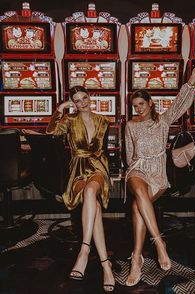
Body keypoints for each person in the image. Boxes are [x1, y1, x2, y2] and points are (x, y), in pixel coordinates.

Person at [124, 65, 195, 287]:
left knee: (136, 207)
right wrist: (131, 171)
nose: (138, 108)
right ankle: (160, 243)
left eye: (141, 104)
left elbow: (181, 103)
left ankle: (137, 258)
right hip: (137, 170)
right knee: (139, 191)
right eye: (134, 106)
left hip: (158, 174)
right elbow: (129, 155)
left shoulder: (163, 121)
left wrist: (192, 80)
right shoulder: (130, 125)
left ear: (150, 103)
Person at [46, 85, 115, 292]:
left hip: (98, 168)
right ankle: (106, 266)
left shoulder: (104, 120)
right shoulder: (69, 120)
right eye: (77, 100)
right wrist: (60, 109)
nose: (82, 102)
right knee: (92, 204)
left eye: (84, 97)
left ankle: (84, 251)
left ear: (90, 97)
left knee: (91, 192)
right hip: (77, 169)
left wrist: (108, 175)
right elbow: (50, 131)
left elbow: (105, 151)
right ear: (73, 103)